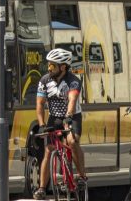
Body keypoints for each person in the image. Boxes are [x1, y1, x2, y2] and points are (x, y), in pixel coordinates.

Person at [33, 48, 86, 200]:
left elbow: (72, 100)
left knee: (72, 141)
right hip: (54, 117)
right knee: (49, 150)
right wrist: (42, 124)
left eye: (53, 65)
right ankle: (42, 188)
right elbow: (40, 104)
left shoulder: (73, 80)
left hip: (72, 116)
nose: (49, 68)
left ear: (63, 67)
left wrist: (68, 116)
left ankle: (82, 176)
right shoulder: (44, 80)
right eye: (49, 64)